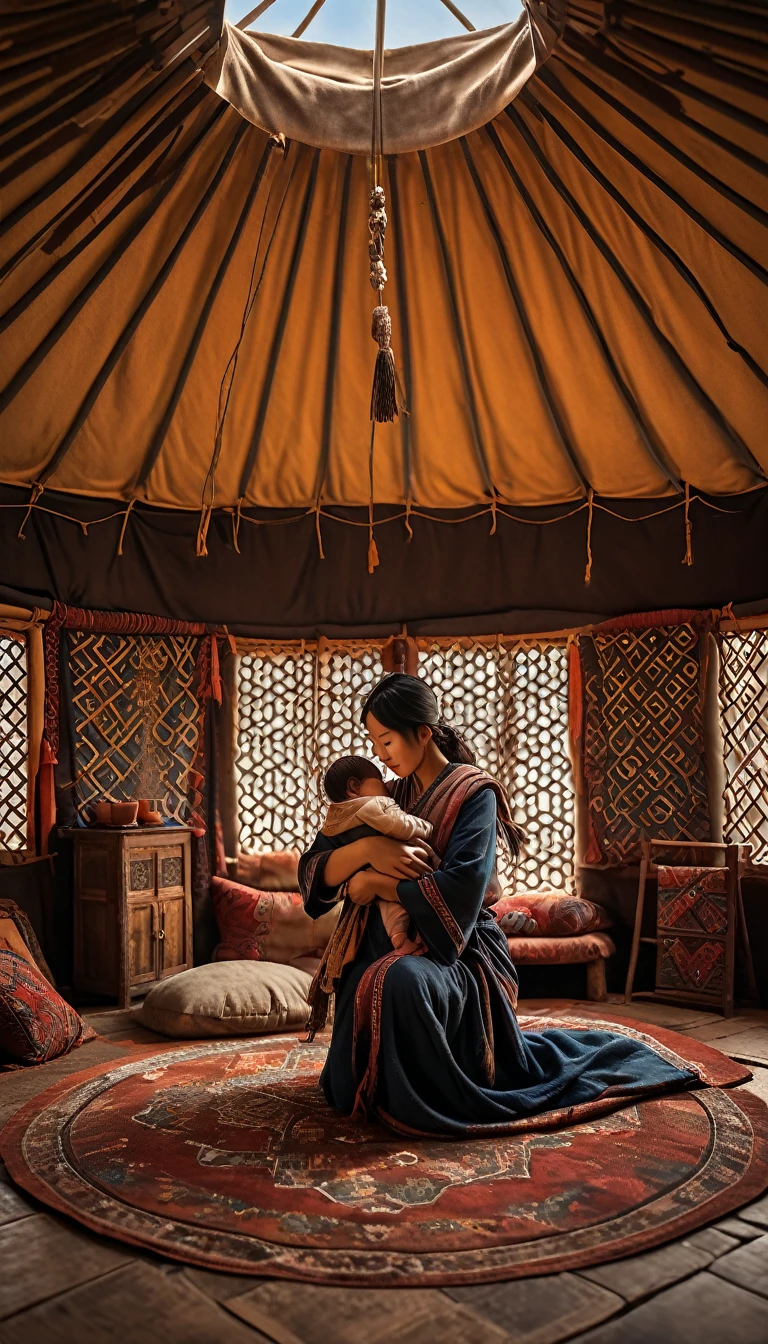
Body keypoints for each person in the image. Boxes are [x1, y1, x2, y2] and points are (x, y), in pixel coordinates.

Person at [299, 673, 698, 1135]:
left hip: (459, 950)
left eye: (387, 742)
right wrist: (365, 857)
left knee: (400, 981)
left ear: (422, 733)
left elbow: (464, 890)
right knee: (367, 970)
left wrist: (378, 887)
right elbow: (315, 862)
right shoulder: (389, 795)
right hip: (386, 939)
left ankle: (423, 1090)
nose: (381, 756)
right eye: (375, 744)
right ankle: (365, 1083)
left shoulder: (474, 794)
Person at [321, 754, 431, 956]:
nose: (386, 786)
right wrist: (425, 827)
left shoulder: (336, 817)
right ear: (354, 787)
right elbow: (399, 826)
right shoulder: (370, 805)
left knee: (391, 909)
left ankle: (400, 940)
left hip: (373, 872)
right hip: (395, 868)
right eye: (379, 781)